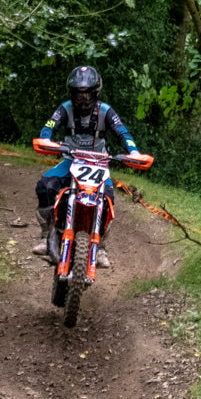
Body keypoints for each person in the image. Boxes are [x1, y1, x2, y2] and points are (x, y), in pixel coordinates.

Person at [32, 65, 141, 267]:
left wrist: (133, 151)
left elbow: (122, 132)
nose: (83, 98)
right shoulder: (65, 108)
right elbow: (49, 126)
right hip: (70, 160)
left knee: (108, 196)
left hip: (98, 163)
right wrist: (45, 140)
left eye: (87, 93)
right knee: (45, 185)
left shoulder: (106, 111)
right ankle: (46, 236)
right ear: (72, 93)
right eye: (78, 93)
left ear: (95, 93)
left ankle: (100, 248)